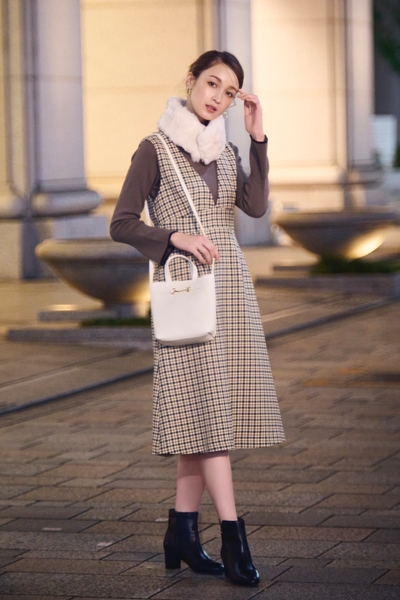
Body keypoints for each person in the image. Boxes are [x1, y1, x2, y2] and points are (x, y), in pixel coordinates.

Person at [110, 50, 285, 587]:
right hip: (185, 292)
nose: (218, 98)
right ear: (191, 80)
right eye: (212, 84)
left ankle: (182, 534)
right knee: (209, 418)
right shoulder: (155, 148)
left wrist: (257, 138)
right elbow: (121, 223)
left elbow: (255, 206)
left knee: (200, 415)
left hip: (231, 291)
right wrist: (174, 237)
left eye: (229, 93)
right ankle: (234, 537)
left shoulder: (226, 149)